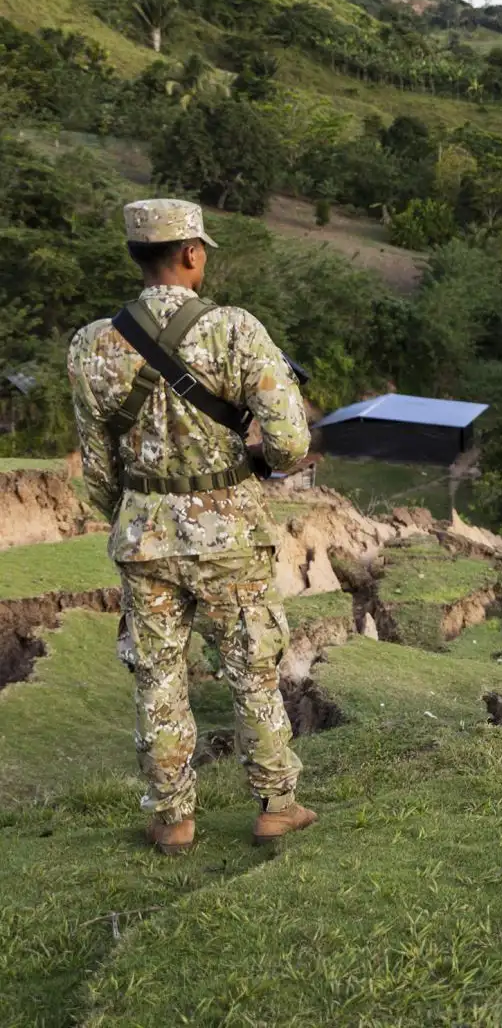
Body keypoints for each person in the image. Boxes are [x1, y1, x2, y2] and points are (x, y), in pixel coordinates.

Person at [67, 199, 317, 856]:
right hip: (232, 534)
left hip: (143, 538)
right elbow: (291, 444)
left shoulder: (91, 346)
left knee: (158, 675)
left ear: (136, 256)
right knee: (252, 670)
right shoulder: (235, 331)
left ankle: (174, 818)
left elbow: (97, 474)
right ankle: (276, 805)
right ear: (191, 254)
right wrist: (260, 460)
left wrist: (141, 511)